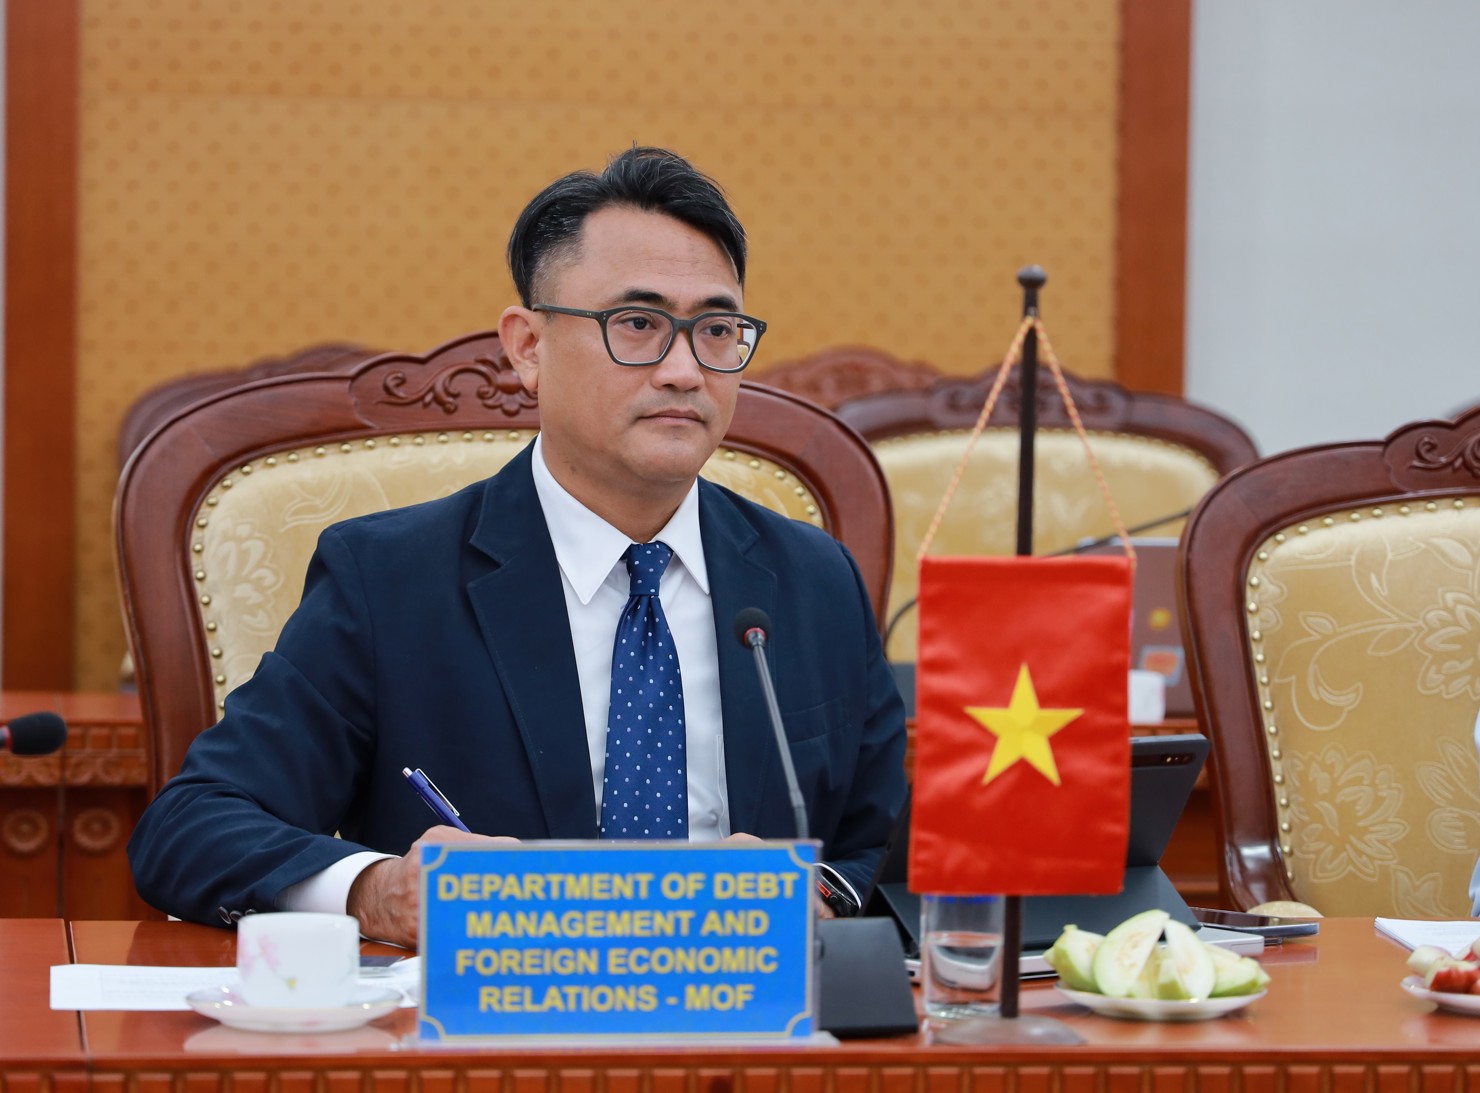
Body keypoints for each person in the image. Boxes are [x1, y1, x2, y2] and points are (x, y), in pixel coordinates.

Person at [128, 147, 908, 947]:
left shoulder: (812, 578)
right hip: (491, 1011)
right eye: (638, 325)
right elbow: (191, 826)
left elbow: (884, 845)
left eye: (715, 330)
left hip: (745, 1009)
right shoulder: (390, 580)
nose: (684, 370)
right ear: (528, 347)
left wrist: (816, 894)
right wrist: (382, 891)